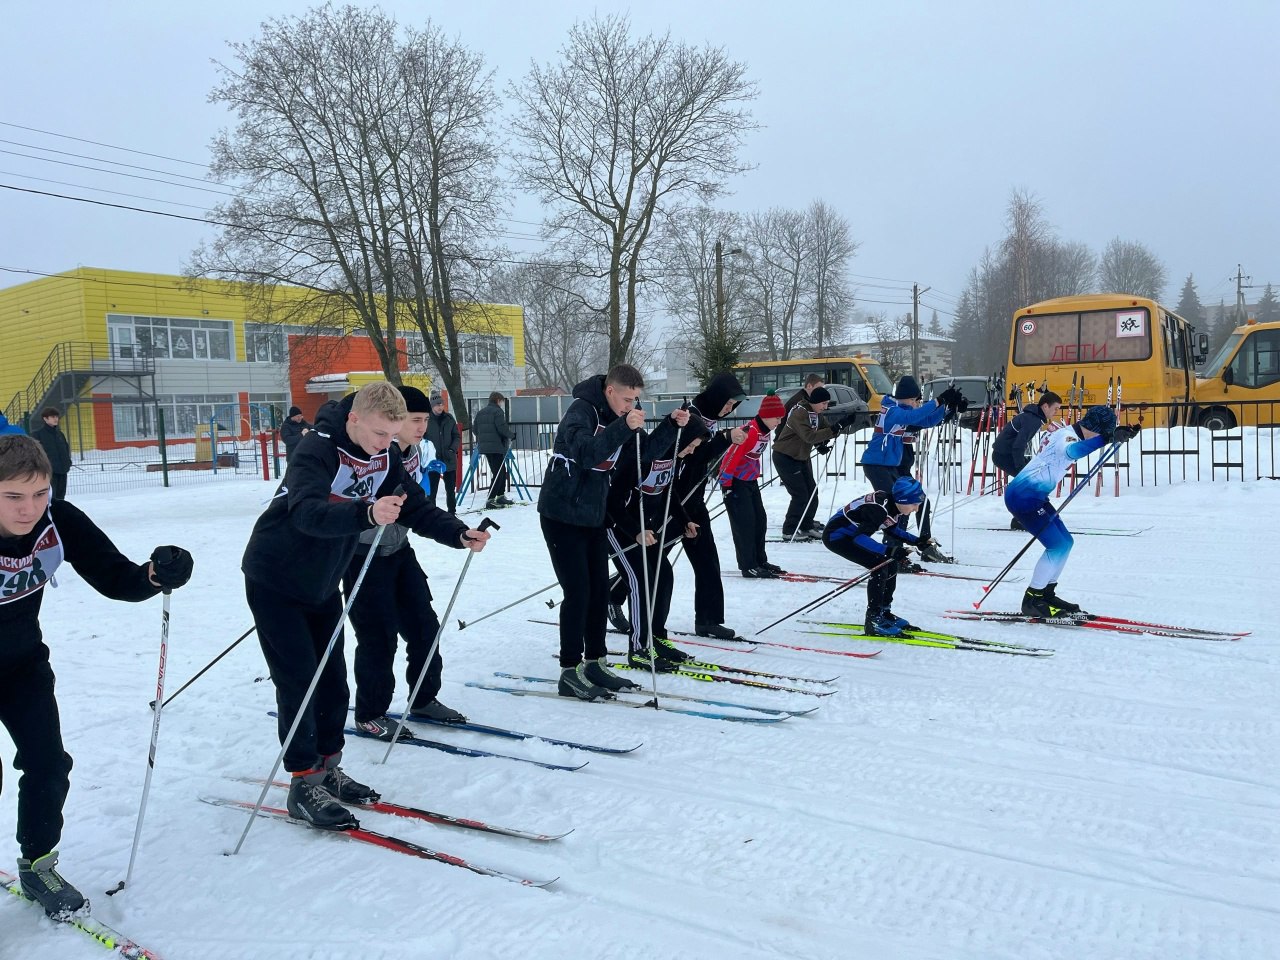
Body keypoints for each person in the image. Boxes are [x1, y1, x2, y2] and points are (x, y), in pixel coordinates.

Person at [241, 381, 490, 830]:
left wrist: (456, 532)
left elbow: (412, 504)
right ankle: (303, 780)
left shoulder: (384, 454)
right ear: (354, 419)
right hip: (276, 576)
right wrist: (367, 514)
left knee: (334, 681)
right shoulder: (315, 450)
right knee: (300, 681)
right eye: (378, 434)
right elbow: (306, 512)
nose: (384, 445)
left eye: (391, 437)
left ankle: (327, 767)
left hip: (322, 581)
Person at [0, 435, 192, 918]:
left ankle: (38, 864)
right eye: (13, 496)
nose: (29, 509)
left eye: (39, 493)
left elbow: (115, 577)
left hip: (21, 664)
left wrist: (155, 574)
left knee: (48, 764)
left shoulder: (58, 521)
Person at [538, 365, 687, 700]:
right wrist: (622, 426)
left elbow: (643, 454)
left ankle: (595, 661)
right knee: (578, 593)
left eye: (635, 399)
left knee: (597, 593)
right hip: (561, 514)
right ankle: (569, 670)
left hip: (594, 514)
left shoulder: (624, 414)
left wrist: (669, 426)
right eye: (626, 398)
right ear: (610, 390)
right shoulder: (582, 410)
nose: (631, 405)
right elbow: (587, 453)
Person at [343, 385, 471, 743]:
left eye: (424, 420)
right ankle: (370, 713)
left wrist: (458, 533)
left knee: (424, 627)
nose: (420, 427)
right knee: (377, 639)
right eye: (414, 420)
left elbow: (419, 506)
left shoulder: (411, 452)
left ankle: (424, 697)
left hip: (399, 550)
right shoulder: (371, 452)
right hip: (363, 555)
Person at [1004, 405, 1139, 617]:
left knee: (1066, 542)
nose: (1102, 436)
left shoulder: (1068, 432)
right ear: (1094, 428)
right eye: (1102, 431)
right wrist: (1107, 438)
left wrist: (1116, 434)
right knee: (1056, 545)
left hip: (1034, 495)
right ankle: (1033, 598)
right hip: (1023, 496)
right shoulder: (1067, 437)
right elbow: (1072, 451)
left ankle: (1046, 593)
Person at [606, 409, 708, 672]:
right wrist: (635, 530)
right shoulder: (640, 456)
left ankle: (656, 638)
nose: (692, 451)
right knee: (640, 582)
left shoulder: (672, 458)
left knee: (663, 575)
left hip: (644, 530)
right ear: (678, 439)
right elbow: (613, 502)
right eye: (691, 445)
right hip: (618, 529)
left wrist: (684, 520)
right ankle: (638, 648)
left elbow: (668, 492)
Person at [860, 375, 964, 565]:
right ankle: (892, 552)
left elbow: (926, 421)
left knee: (920, 501)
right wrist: (939, 400)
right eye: (918, 400)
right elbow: (914, 416)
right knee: (897, 505)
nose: (919, 404)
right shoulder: (892, 410)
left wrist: (947, 407)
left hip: (890, 466)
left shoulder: (903, 410)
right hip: (876, 465)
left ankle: (925, 546)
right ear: (910, 398)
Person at [678, 372, 749, 640]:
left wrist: (725, 438)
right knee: (651, 562)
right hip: (674, 503)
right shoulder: (689, 417)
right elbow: (692, 457)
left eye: (733, 406)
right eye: (728, 403)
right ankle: (614, 596)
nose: (729, 410)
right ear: (717, 397)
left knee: (707, 561)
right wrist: (724, 439)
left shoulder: (708, 419)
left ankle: (708, 620)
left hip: (694, 502)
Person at [822, 477, 924, 636]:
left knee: (890, 564)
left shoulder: (891, 503)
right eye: (914, 504)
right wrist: (889, 550)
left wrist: (918, 541)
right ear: (902, 500)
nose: (916, 509)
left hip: (850, 535)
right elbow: (859, 538)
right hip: (837, 537)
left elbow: (892, 529)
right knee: (880, 566)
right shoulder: (878, 509)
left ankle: (884, 612)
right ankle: (874, 619)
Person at [720, 390, 787, 578]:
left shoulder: (764, 431)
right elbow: (731, 457)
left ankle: (760, 560)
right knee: (745, 524)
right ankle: (748, 565)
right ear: (765, 415)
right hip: (735, 483)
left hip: (749, 481)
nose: (779, 422)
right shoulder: (750, 432)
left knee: (760, 521)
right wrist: (727, 484)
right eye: (776, 418)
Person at [773, 386, 842, 540]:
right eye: (823, 403)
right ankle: (789, 530)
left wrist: (838, 428)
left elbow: (823, 430)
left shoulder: (815, 414)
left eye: (827, 404)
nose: (825, 407)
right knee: (800, 495)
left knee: (812, 492)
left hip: (801, 457)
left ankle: (806, 526)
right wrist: (832, 430)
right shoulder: (800, 412)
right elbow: (809, 436)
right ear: (814, 402)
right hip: (785, 456)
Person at [993, 391, 1063, 530]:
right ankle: (1022, 519)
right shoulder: (1033, 420)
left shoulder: (1034, 417)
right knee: (1030, 483)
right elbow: (1018, 446)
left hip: (1008, 454)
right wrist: (1022, 470)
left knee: (1034, 481)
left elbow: (1019, 445)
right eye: (1055, 408)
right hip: (1003, 455)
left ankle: (1029, 516)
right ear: (1045, 407)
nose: (1056, 412)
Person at [472, 392, 514, 509]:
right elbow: (502, 428)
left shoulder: (480, 412)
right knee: (498, 473)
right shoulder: (498, 412)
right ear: (497, 400)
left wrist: (483, 439)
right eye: (501, 401)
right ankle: (491, 498)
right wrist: (511, 435)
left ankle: (500, 496)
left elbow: (475, 429)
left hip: (485, 447)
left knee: (500, 470)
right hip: (496, 447)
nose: (501, 403)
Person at [425, 392, 461, 514]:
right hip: (433, 460)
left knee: (450, 490)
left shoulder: (449, 419)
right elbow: (422, 439)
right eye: (437, 405)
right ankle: (432, 515)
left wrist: (452, 449)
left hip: (449, 459)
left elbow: (456, 436)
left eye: (441, 404)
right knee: (431, 491)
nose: (440, 407)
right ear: (432, 406)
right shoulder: (426, 420)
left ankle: (452, 513)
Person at [29, 407, 71, 501]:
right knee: (50, 498)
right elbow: (34, 454)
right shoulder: (38, 435)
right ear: (45, 418)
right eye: (52, 417)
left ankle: (58, 515)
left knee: (61, 498)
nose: (56, 419)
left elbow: (66, 449)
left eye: (57, 416)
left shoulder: (60, 434)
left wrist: (68, 462)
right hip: (48, 472)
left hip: (63, 470)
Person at [778, 373, 825, 438]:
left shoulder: (809, 400)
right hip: (789, 443)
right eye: (819, 388)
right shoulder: (798, 402)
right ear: (809, 386)